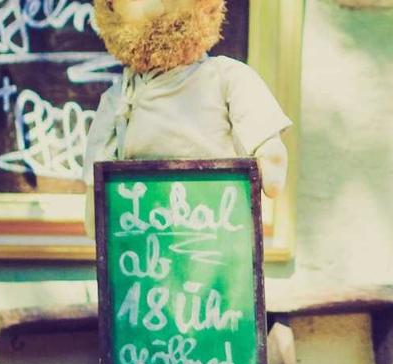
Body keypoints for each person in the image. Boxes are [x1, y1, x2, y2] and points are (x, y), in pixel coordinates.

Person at [83, 0, 290, 235]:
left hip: (215, 215)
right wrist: (95, 197)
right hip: (146, 221)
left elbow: (250, 104)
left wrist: (266, 144)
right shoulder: (120, 95)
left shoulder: (222, 76)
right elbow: (100, 151)